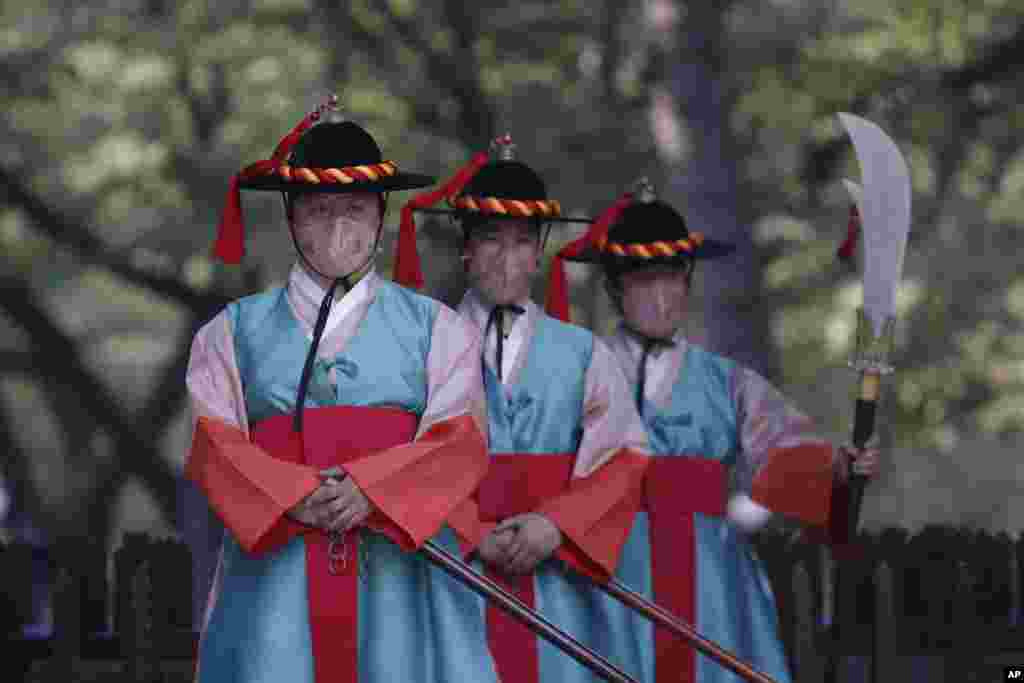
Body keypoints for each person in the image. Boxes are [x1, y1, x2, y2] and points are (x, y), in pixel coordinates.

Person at [184, 96, 499, 683]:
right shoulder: (229, 333)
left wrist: (374, 492)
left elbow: (462, 439)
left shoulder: (440, 329)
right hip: (275, 576)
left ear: (381, 217)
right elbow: (212, 443)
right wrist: (292, 493)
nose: (336, 227)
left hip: (403, 572)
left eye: (354, 209)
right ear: (290, 217)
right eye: (317, 209)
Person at [550, 178, 880, 682]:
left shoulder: (728, 383)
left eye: (672, 279)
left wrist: (840, 465)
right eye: (644, 281)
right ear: (616, 288)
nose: (661, 297)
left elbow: (786, 453)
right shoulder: (577, 372)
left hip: (711, 577)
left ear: (688, 281)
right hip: (608, 567)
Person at [404, 136, 651, 683]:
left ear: (540, 251)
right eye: (490, 239)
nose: (505, 256)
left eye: (521, 242)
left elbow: (624, 458)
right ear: (466, 248)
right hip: (452, 572)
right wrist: (468, 529)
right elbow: (401, 458)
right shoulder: (422, 347)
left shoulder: (584, 352)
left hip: (557, 575)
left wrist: (555, 525)